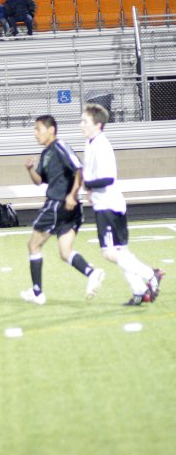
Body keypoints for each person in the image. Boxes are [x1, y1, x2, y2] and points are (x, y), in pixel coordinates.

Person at [80, 104, 164, 305]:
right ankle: (140, 291)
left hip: (108, 206)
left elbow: (108, 178)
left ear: (98, 125)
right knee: (121, 252)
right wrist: (90, 192)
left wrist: (87, 185)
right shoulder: (91, 143)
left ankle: (150, 274)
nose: (80, 125)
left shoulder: (100, 145)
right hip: (111, 203)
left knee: (109, 253)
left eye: (85, 121)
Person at [21, 115, 106, 305]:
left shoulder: (60, 147)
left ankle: (37, 293)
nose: (35, 134)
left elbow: (79, 169)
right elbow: (38, 181)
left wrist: (72, 195)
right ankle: (92, 273)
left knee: (33, 245)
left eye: (38, 129)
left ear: (50, 130)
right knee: (65, 252)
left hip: (58, 204)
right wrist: (30, 169)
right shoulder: (46, 154)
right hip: (68, 209)